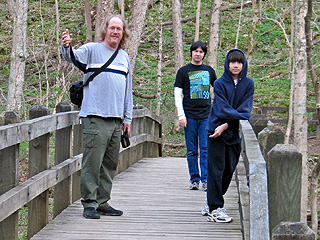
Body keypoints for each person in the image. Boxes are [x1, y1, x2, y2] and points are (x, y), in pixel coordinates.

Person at [61, 15, 133, 219]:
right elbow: (72, 56)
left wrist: (127, 118)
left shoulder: (124, 57)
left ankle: (103, 201)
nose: (115, 32)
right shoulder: (92, 50)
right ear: (106, 30)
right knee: (92, 162)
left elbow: (128, 90)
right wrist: (66, 46)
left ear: (123, 33)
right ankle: (89, 203)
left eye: (119, 29)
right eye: (112, 28)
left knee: (110, 164)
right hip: (95, 115)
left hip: (116, 119)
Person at [204, 49, 254, 223]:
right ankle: (214, 207)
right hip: (215, 132)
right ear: (227, 63)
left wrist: (226, 125)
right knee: (215, 170)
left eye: (239, 62)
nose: (236, 65)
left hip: (231, 132)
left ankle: (212, 200)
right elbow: (222, 108)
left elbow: (245, 111)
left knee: (228, 171)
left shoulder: (248, 84)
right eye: (232, 62)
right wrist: (225, 123)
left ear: (243, 64)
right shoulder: (219, 83)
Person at [174, 41, 217, 191]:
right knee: (192, 149)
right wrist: (181, 115)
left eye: (201, 51)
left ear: (204, 54)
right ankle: (194, 179)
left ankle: (205, 179)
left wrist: (217, 112)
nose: (198, 54)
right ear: (191, 52)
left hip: (206, 115)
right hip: (189, 115)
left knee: (205, 148)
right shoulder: (183, 71)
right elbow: (178, 94)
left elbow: (218, 90)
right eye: (196, 51)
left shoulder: (209, 71)